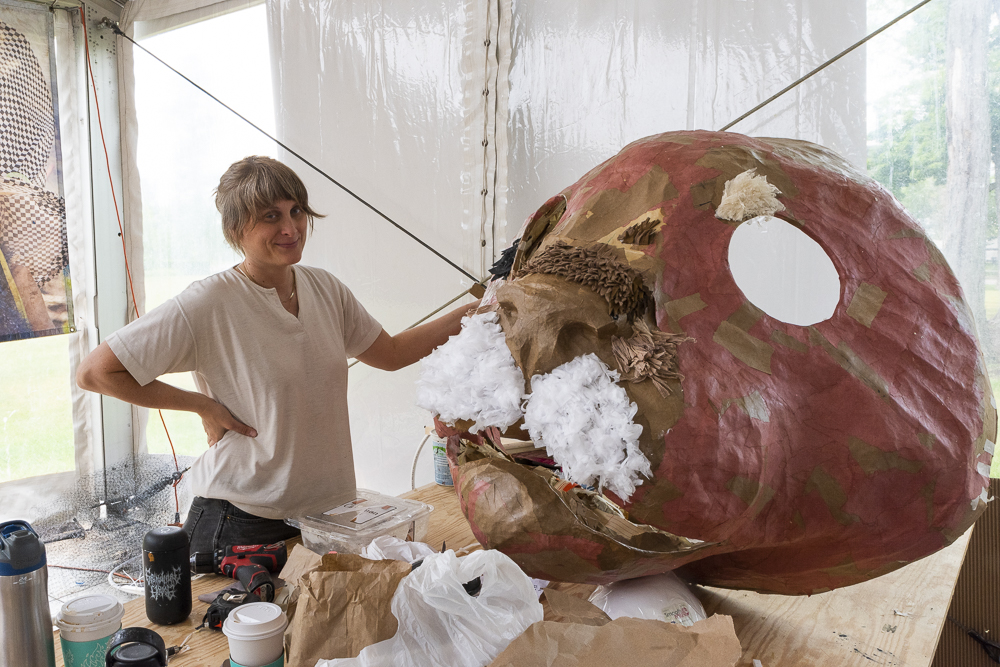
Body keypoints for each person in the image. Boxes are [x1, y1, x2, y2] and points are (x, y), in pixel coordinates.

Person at [76, 156, 478, 554]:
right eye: (270, 216)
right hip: (239, 522)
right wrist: (202, 405)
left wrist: (477, 310)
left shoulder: (325, 289)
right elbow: (97, 372)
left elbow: (391, 353)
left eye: (296, 211)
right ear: (236, 229)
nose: (290, 228)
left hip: (326, 517)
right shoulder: (210, 302)